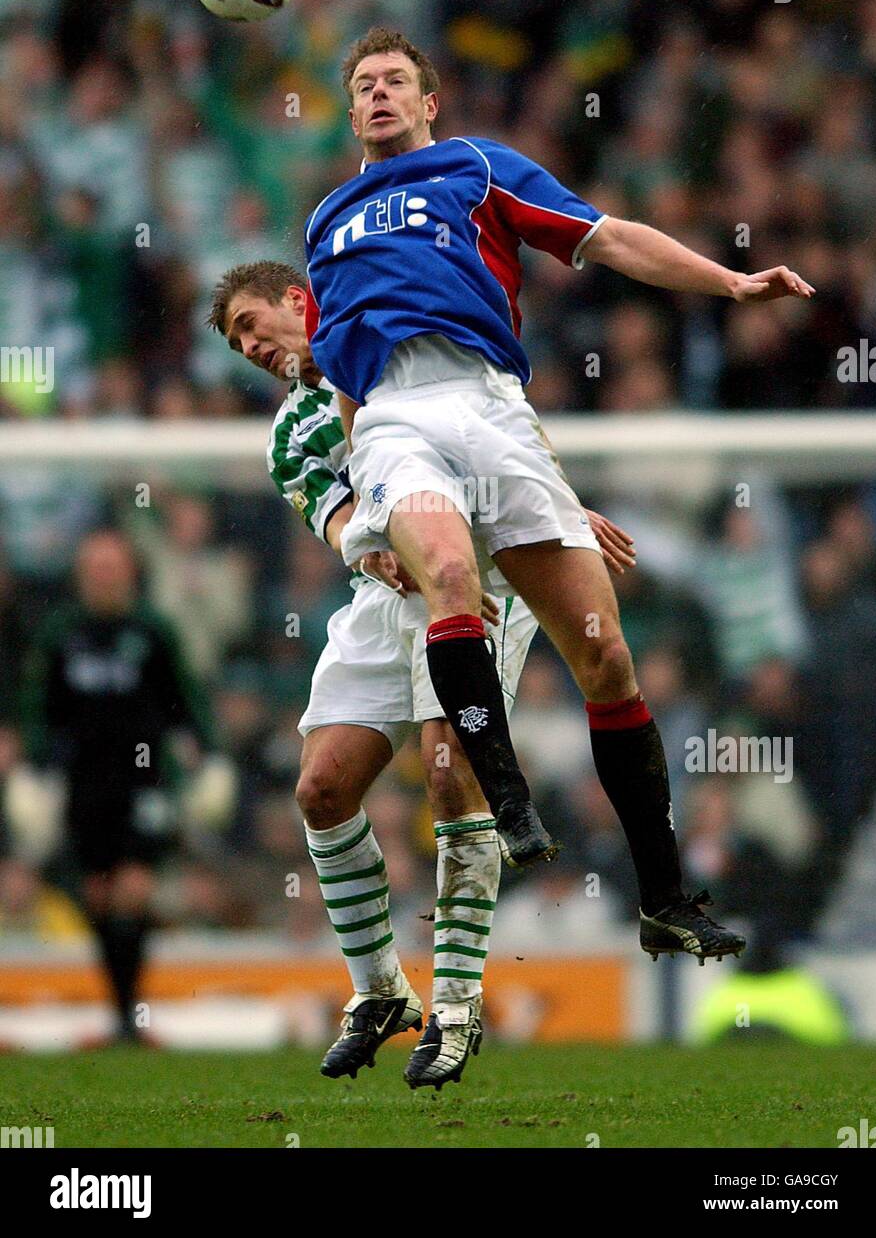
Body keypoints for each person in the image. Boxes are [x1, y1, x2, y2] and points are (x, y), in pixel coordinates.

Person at [301, 25, 813, 959]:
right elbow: (340, 376)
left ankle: (664, 894)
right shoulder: (326, 222)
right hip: (392, 418)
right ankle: (510, 802)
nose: (378, 94)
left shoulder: (478, 168)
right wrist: (363, 493)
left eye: (395, 81)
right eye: (364, 84)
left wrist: (729, 283)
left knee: (607, 655)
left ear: (429, 102)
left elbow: (607, 237)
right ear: (349, 110)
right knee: (453, 576)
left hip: (493, 406)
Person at [208, 259, 635, 1087]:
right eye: (236, 344)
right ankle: (378, 992)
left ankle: (456, 1004)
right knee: (321, 789)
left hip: (474, 583)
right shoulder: (292, 435)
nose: (250, 348)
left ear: (299, 300)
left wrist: (555, 507)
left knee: (449, 773)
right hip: (386, 591)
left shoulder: (406, 355)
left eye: (252, 326)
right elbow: (336, 524)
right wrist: (373, 551)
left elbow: (494, 435)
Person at [21, 530, 212, 1043]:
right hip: (84, 782)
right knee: (98, 894)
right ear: (82, 574)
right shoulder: (61, 633)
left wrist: (204, 749)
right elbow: (40, 706)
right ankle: (122, 1014)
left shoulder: (152, 631)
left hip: (144, 779)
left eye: (112, 565)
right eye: (95, 566)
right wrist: (34, 760)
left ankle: (130, 1015)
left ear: (130, 571)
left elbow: (185, 699)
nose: (104, 575)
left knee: (133, 888)